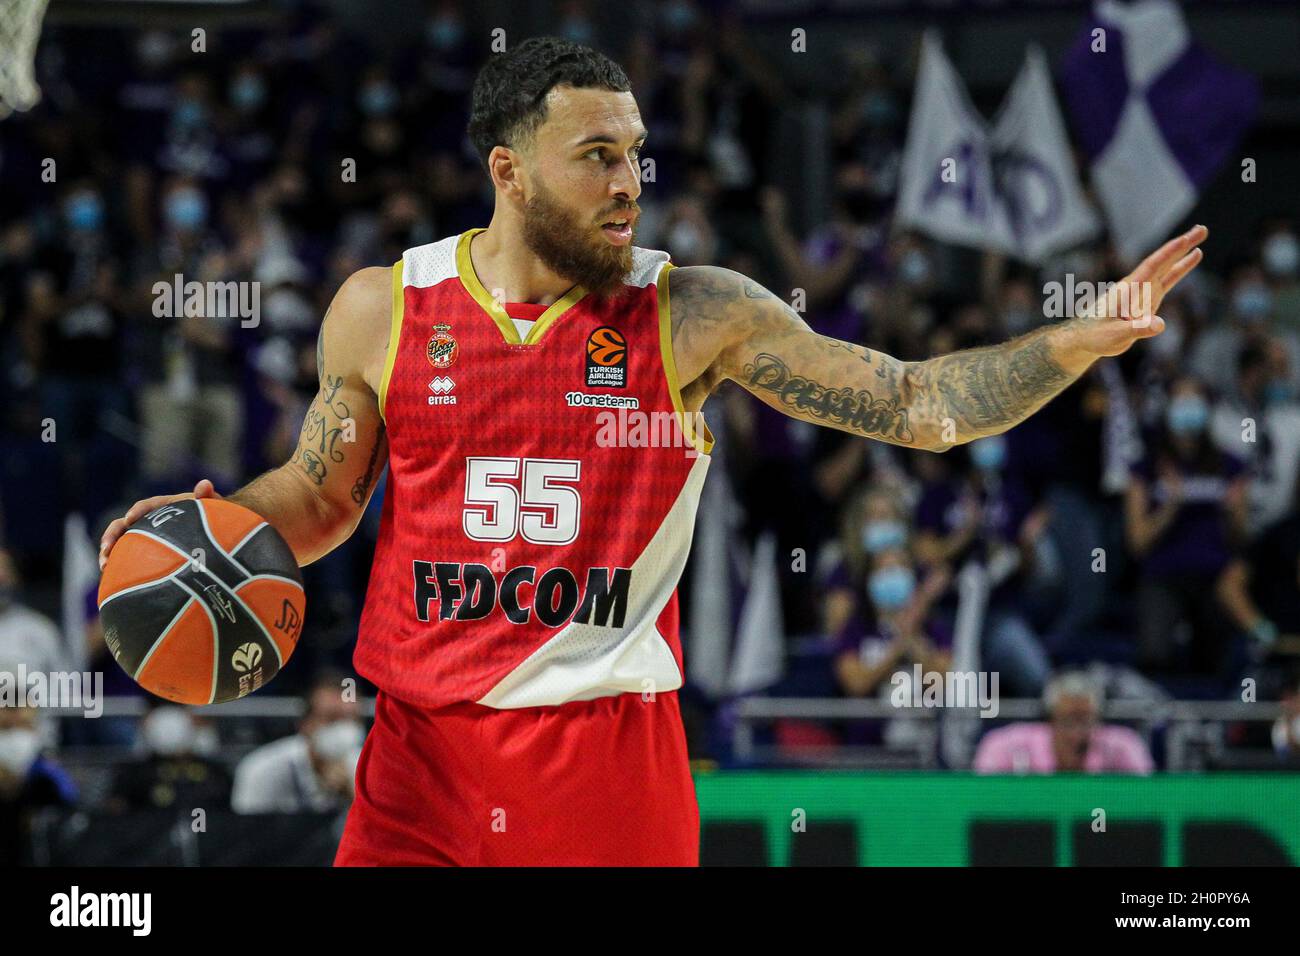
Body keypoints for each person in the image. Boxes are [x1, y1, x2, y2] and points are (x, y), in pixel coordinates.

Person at [99, 37, 1208, 866]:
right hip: (418, 757)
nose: (630, 182)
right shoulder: (385, 308)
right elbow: (319, 493)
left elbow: (916, 404)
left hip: (603, 761)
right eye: (596, 156)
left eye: (636, 154)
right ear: (510, 170)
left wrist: (1073, 339)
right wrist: (209, 536)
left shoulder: (692, 313)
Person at [231, 671, 365, 814]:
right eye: (332, 718)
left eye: (352, 719)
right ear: (305, 724)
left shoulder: (366, 771)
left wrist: (351, 795)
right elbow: (247, 832)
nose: (344, 730)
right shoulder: (262, 770)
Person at [972, 671, 1154, 774]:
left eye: (1085, 721)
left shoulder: (1123, 747)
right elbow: (982, 798)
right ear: (1050, 720)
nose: (1076, 733)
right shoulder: (1006, 747)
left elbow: (1146, 801)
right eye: (1068, 721)